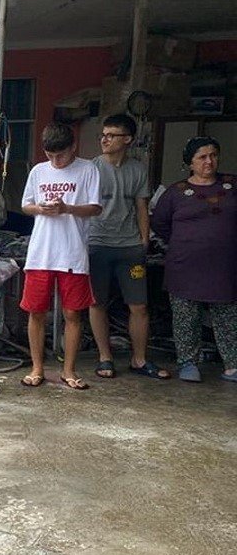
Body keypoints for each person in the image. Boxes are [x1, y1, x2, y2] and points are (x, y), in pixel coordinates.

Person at [19, 122, 102, 390]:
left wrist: (67, 208)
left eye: (61, 155)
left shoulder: (88, 169)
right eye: (50, 155)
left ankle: (68, 370)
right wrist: (40, 209)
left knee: (72, 314)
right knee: (36, 312)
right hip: (41, 252)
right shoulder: (38, 171)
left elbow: (95, 208)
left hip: (72, 252)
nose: (55, 161)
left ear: (73, 147)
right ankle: (37, 367)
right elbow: (25, 205)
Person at [88, 114, 170, 380]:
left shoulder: (138, 169)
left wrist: (144, 241)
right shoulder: (92, 169)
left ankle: (139, 358)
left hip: (130, 246)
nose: (104, 139)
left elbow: (142, 208)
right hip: (97, 244)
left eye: (111, 135)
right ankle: (105, 357)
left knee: (139, 306)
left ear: (128, 140)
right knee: (97, 303)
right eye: (103, 134)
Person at [151, 136, 237, 383]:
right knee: (186, 317)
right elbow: (159, 223)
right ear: (190, 162)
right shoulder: (176, 192)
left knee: (228, 316)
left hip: (225, 266)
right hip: (185, 266)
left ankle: (232, 365)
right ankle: (188, 363)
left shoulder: (232, 185)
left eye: (213, 155)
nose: (209, 161)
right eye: (202, 157)